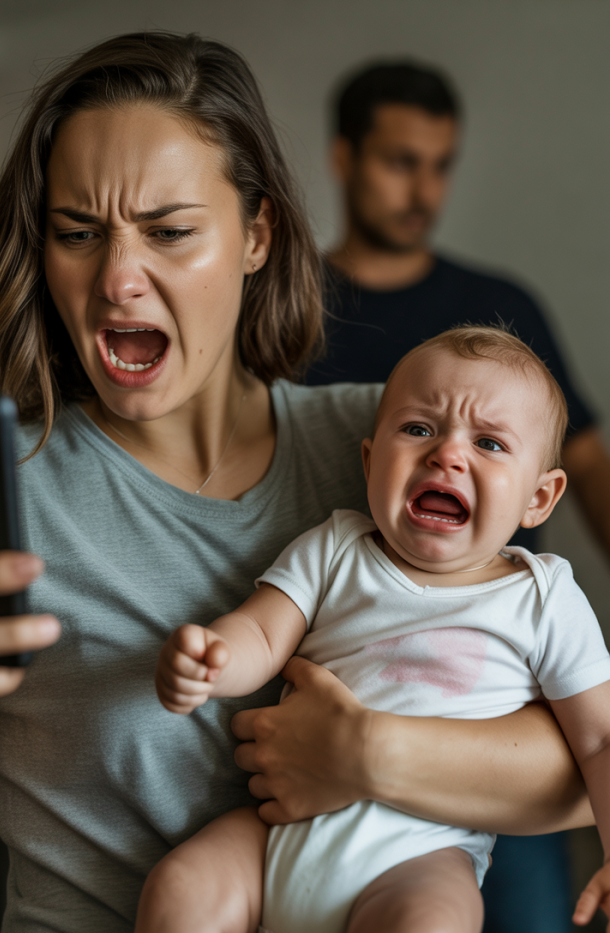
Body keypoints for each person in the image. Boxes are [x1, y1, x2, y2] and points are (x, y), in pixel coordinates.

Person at [0, 34, 594, 933]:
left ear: (257, 236)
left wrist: (364, 750)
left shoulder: (386, 447)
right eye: (78, 233)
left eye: (169, 231)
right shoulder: (7, 496)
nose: (118, 280)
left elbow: (577, 779)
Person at [143, 326, 610, 933]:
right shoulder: (337, 548)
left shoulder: (543, 598)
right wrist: (209, 657)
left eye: (490, 443)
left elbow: (598, 740)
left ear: (539, 499)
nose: (447, 454)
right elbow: (261, 635)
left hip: (421, 853)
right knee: (182, 885)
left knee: (430, 922)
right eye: (419, 429)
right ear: (369, 461)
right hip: (276, 832)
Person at [306, 59, 610, 931]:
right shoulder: (292, 309)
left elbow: (586, 467)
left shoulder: (499, 306)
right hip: (354, 678)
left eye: (440, 164)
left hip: (500, 707)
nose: (423, 189)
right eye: (401, 161)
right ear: (344, 157)